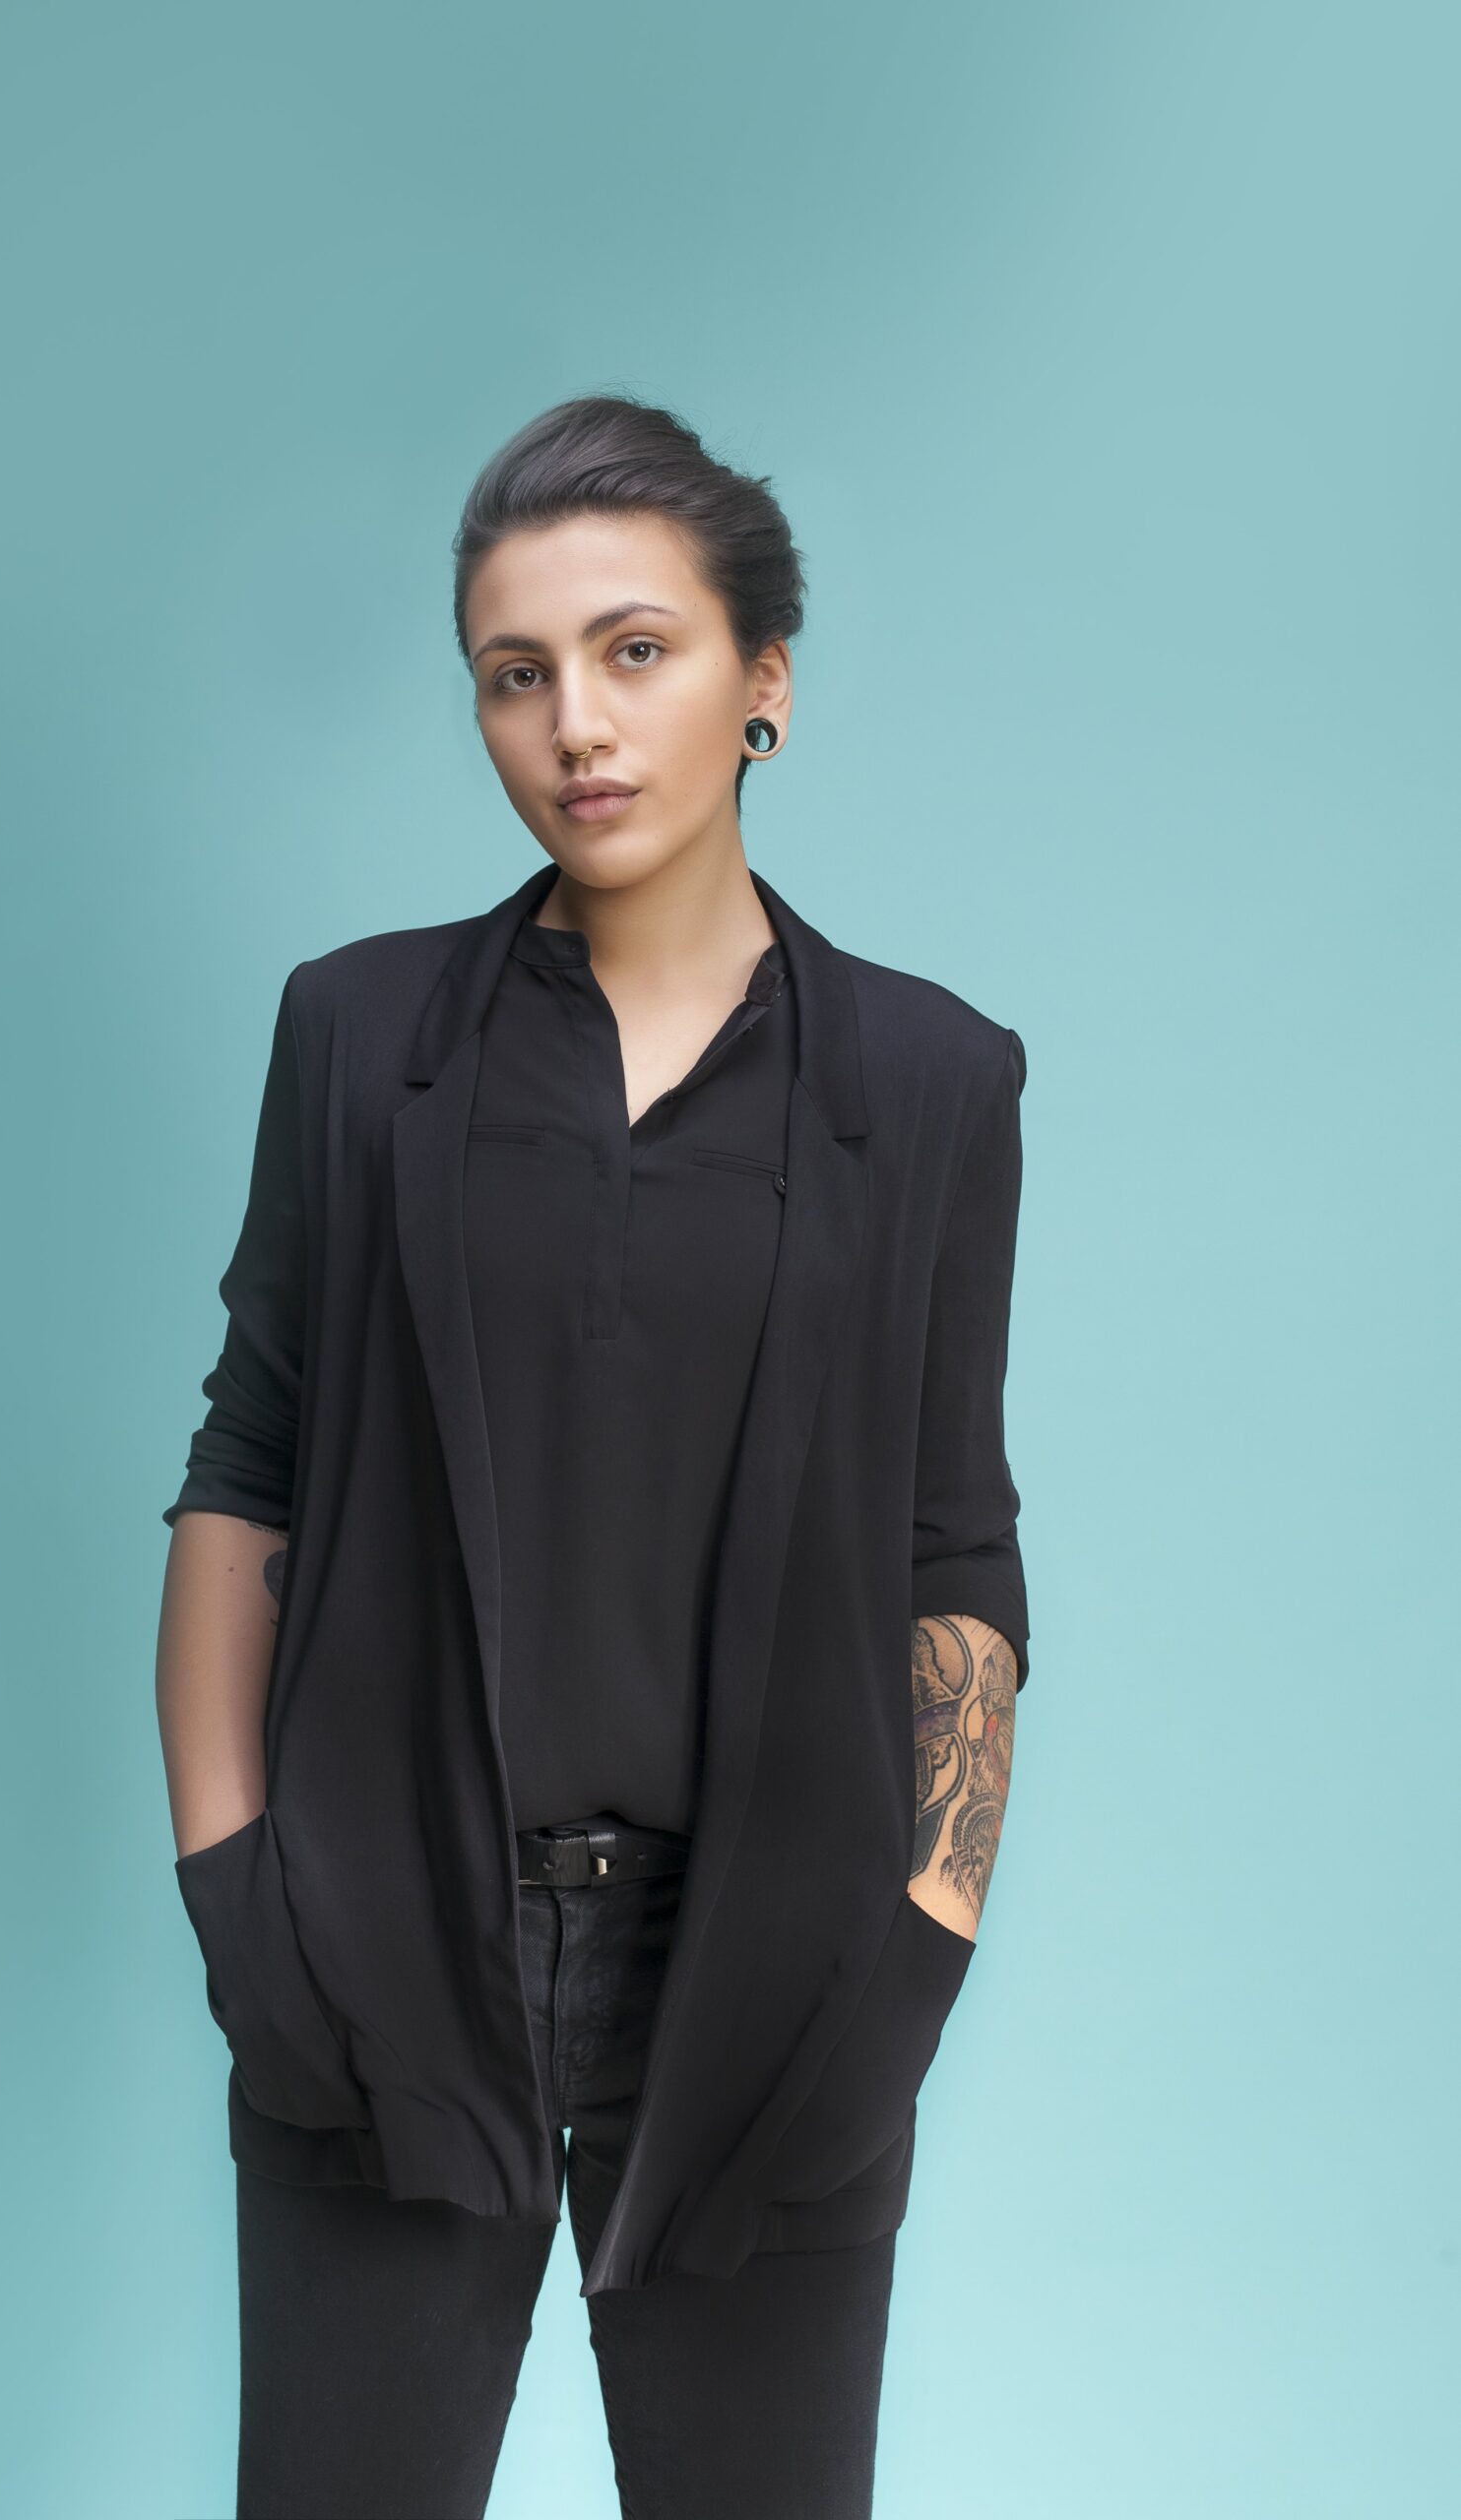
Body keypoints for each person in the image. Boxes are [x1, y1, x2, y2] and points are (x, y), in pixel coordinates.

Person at [155, 392, 1031, 2520]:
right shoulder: (360, 1034)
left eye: (636, 649)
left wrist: (912, 1954)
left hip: (774, 1962)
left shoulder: (932, 1077)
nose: (576, 723)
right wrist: (240, 1896)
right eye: (514, 671)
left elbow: (952, 1540)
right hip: (388, 1933)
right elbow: (248, 1466)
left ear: (763, 683)